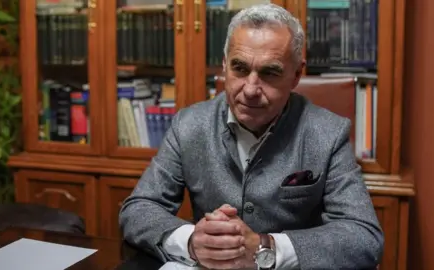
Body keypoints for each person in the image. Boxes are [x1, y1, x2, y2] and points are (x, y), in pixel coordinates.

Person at [119, 3, 383, 270]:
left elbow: (363, 236)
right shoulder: (189, 125)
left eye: (270, 72)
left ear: (296, 75)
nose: (251, 89)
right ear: (224, 66)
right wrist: (192, 242)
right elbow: (138, 209)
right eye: (240, 69)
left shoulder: (328, 133)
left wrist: (264, 247)